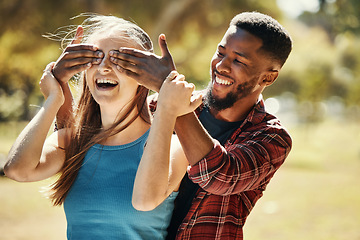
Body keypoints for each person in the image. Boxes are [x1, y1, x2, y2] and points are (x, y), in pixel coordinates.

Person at [4, 14, 200, 239]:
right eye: (95, 58)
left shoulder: (174, 147)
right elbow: (17, 169)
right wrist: (54, 98)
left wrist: (166, 104)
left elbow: (145, 201)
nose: (104, 67)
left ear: (145, 75)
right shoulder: (72, 143)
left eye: (119, 60)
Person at [107, 11, 293, 239]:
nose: (221, 66)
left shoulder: (272, 138)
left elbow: (219, 175)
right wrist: (61, 88)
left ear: (268, 78)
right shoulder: (158, 106)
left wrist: (170, 95)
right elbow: (96, 139)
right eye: (220, 53)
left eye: (239, 60)